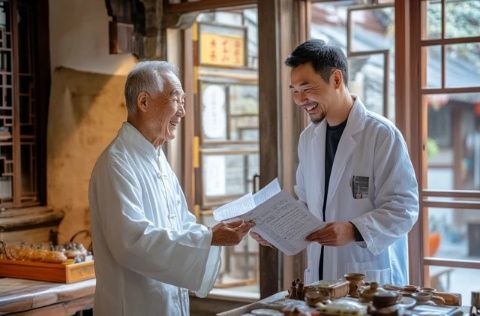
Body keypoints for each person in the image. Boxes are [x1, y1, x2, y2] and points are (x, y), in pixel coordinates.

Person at [89, 61, 254, 316]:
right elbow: (132, 241)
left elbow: (181, 223)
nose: (183, 112)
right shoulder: (116, 162)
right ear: (144, 102)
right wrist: (209, 238)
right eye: (176, 99)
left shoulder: (156, 157)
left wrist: (213, 234)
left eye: (184, 101)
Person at [251, 39, 418, 286]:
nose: (300, 99)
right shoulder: (308, 138)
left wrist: (353, 229)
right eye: (294, 91)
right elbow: (308, 204)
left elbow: (404, 208)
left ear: (336, 80)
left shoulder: (381, 134)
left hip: (368, 277)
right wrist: (277, 231)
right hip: (320, 275)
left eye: (307, 88)